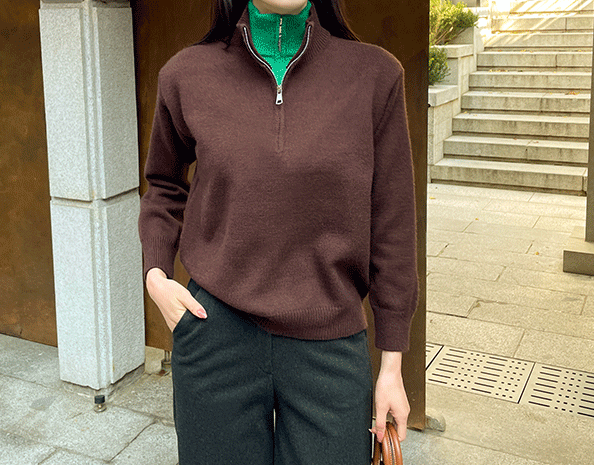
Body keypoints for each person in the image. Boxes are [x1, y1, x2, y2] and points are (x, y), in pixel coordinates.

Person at [138, 0, 418, 463]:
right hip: (214, 334)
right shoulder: (186, 74)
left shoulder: (375, 76)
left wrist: (392, 363)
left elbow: (393, 223)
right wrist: (156, 276)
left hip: (330, 345)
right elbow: (164, 186)